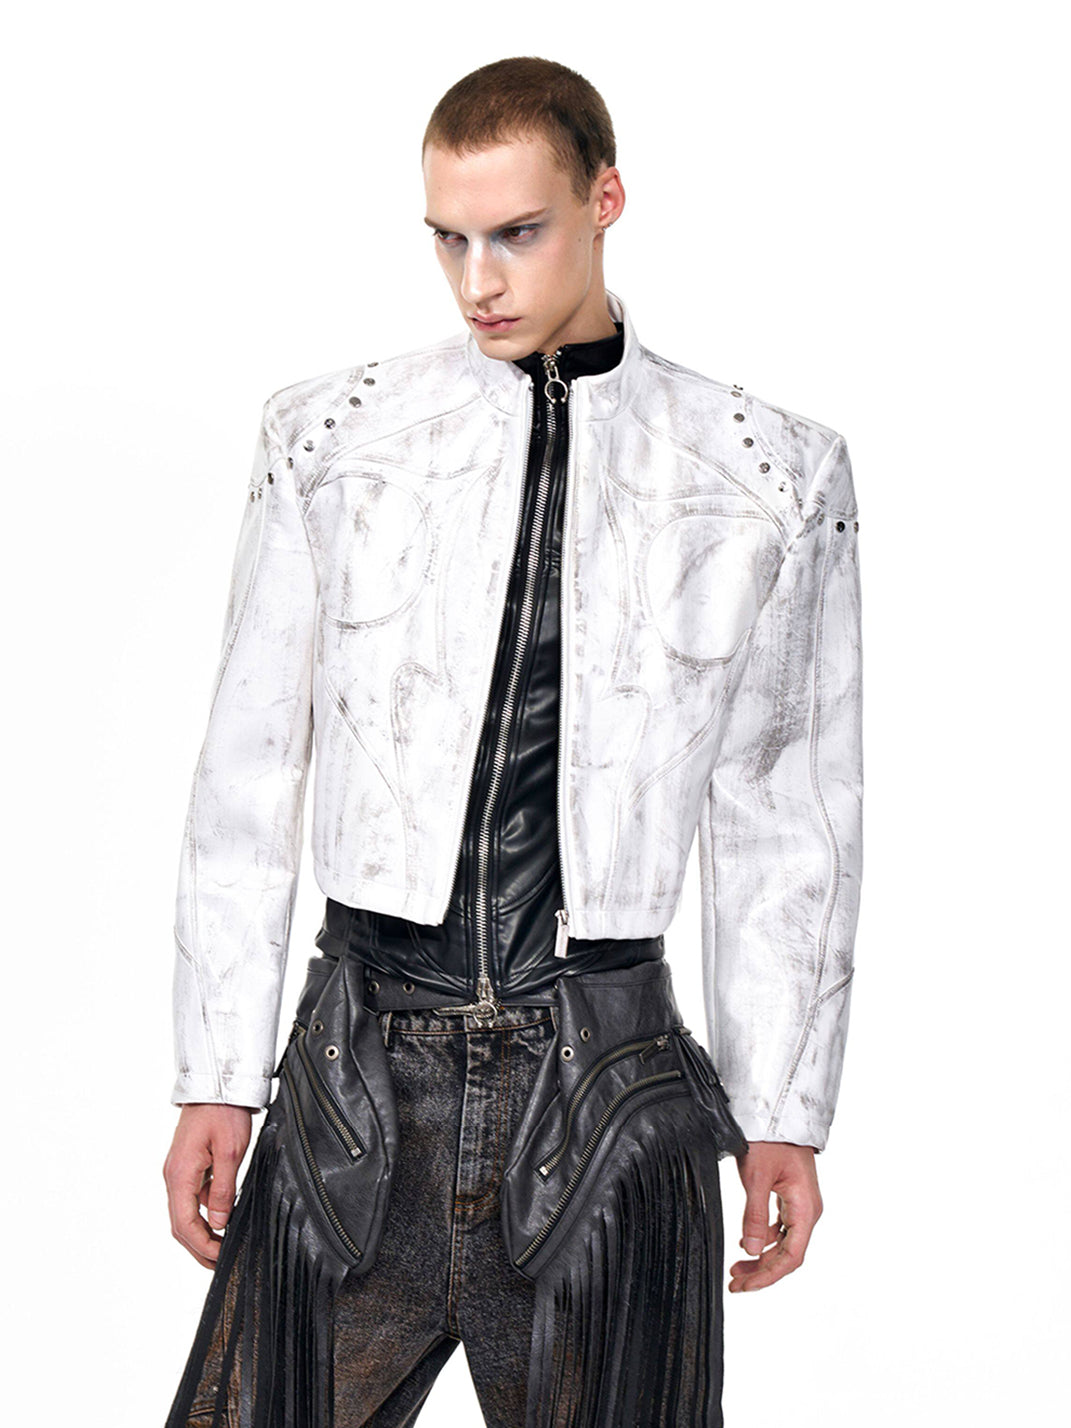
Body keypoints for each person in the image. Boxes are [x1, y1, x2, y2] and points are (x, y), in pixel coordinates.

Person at [162, 55, 863, 1428]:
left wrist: (783, 1107)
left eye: (517, 233)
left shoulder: (770, 473)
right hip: (356, 1075)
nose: (477, 279)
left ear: (606, 200)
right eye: (449, 238)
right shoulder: (333, 439)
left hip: (606, 1094)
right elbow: (247, 772)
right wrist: (216, 1077)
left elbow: (785, 811)